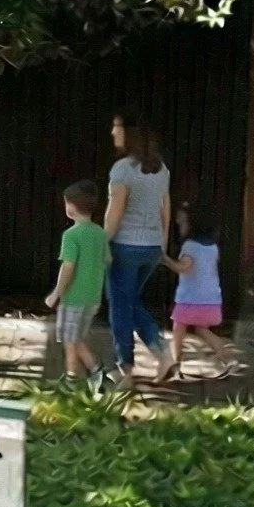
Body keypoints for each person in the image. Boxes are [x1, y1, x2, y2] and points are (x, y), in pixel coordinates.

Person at [102, 110, 176, 382]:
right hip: (151, 247)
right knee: (130, 300)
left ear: (130, 134)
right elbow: (164, 208)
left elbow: (115, 212)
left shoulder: (122, 170)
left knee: (120, 306)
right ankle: (162, 353)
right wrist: (163, 245)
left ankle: (126, 367)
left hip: (124, 247)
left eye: (117, 127)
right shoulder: (161, 170)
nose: (112, 133)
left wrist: (101, 244)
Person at [43, 179, 109, 384]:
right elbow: (107, 259)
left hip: (73, 297)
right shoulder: (99, 233)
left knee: (70, 339)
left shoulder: (71, 235)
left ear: (71, 206)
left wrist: (56, 293)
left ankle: (76, 378)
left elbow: (68, 266)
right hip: (92, 297)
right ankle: (90, 372)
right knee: (75, 337)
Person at [162, 204, 238, 379]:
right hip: (211, 299)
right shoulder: (213, 247)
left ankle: (176, 362)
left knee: (178, 328)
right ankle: (226, 356)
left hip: (190, 298)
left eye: (182, 221)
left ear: (191, 224)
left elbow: (183, 267)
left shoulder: (189, 246)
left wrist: (164, 259)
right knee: (201, 329)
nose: (178, 223)